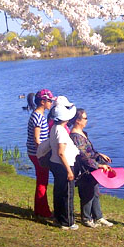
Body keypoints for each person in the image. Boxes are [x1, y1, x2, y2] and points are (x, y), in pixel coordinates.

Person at [69, 108, 114, 228]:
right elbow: (83, 156)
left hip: (92, 168)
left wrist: (99, 155)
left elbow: (89, 150)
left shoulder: (83, 133)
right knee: (87, 193)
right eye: (85, 118)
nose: (87, 120)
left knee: (95, 192)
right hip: (85, 169)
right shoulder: (75, 136)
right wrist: (99, 165)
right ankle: (86, 218)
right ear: (77, 121)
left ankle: (98, 217)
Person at [48, 96, 79, 230]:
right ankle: (68, 221)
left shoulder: (54, 127)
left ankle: (59, 218)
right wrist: (69, 170)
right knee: (67, 194)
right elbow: (61, 152)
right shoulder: (61, 131)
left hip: (55, 163)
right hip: (63, 164)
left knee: (59, 191)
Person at [26, 89, 54, 219]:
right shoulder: (37, 116)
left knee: (42, 181)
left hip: (37, 153)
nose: (51, 103)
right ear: (43, 102)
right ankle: (44, 212)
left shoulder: (38, 115)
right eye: (49, 101)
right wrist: (42, 154)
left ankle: (39, 209)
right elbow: (37, 139)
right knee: (42, 182)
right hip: (38, 154)